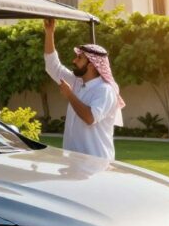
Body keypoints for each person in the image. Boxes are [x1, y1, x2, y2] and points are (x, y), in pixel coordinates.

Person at [43, 18, 125, 160]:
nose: (74, 61)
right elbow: (52, 66)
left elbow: (90, 118)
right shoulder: (77, 82)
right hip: (72, 159)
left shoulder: (105, 90)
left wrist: (69, 95)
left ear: (92, 64)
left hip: (96, 162)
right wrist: (49, 32)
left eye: (79, 58)